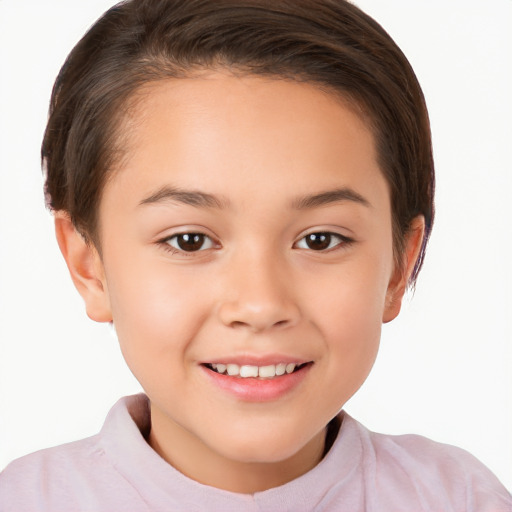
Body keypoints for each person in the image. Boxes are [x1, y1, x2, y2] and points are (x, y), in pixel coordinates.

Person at [0, 0, 510, 510]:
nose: (261, 305)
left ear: (398, 266)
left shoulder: (459, 498)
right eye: (189, 240)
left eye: (320, 239)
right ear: (89, 266)